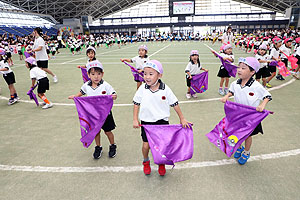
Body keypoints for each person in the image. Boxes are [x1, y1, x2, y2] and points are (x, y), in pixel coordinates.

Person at [133, 60, 191, 176]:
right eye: (145, 73)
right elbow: (136, 103)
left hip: (162, 123)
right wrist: (135, 119)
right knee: (146, 145)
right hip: (146, 123)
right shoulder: (142, 89)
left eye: (151, 74)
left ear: (159, 75)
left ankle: (161, 163)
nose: (147, 77)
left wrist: (182, 118)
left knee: (161, 145)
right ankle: (146, 161)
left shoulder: (165, 89)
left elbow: (174, 103)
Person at [221, 57, 272, 165]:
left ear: (252, 72)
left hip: (250, 117)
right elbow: (231, 91)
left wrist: (263, 104)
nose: (239, 70)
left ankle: (246, 152)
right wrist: (227, 96)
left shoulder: (256, 86)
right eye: (239, 67)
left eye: (243, 68)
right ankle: (239, 148)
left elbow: (267, 96)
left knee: (247, 135)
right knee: (236, 132)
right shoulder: (235, 83)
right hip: (237, 114)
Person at [69, 60, 117, 159]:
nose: (96, 76)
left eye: (99, 74)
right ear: (88, 74)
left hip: (105, 115)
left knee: (108, 131)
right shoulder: (86, 85)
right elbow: (81, 93)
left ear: (102, 74)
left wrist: (113, 96)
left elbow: (114, 94)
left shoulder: (105, 85)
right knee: (96, 132)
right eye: (93, 74)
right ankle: (98, 147)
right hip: (93, 115)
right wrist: (75, 97)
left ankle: (113, 145)